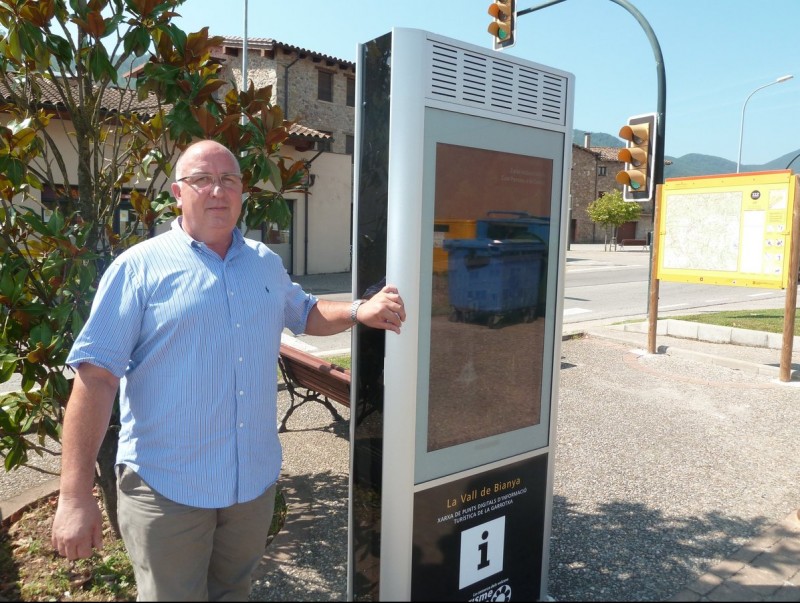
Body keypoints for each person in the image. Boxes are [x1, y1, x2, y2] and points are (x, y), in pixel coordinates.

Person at [50, 139, 406, 601]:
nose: (217, 190)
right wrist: (74, 495)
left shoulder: (263, 263)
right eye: (201, 179)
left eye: (229, 180)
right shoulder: (138, 269)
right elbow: (95, 378)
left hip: (250, 489)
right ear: (178, 193)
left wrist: (360, 309)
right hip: (168, 488)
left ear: (242, 192)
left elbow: (304, 312)